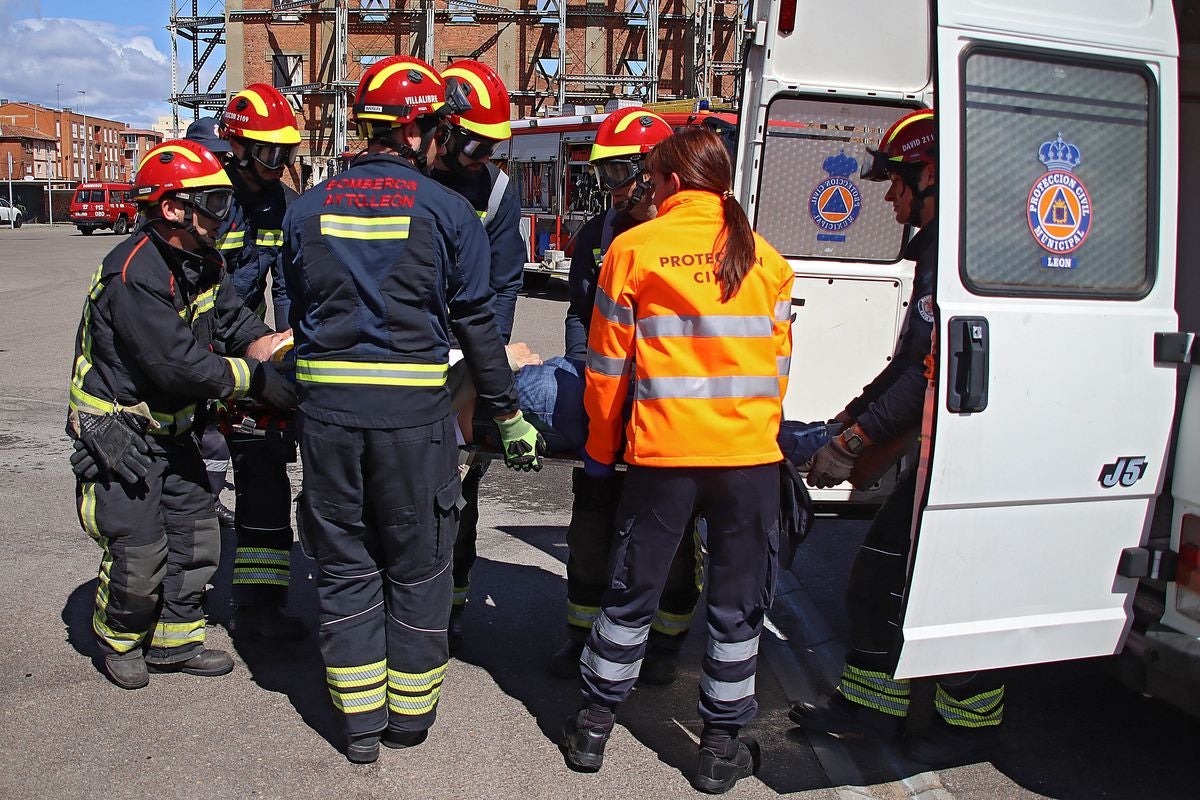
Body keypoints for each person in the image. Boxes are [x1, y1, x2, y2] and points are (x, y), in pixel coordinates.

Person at [280, 55, 546, 765]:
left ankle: (360, 726)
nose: (446, 144)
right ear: (416, 128)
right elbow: (477, 325)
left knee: (344, 564)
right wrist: (509, 412)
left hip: (329, 423)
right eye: (439, 130)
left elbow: (293, 315)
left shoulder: (305, 210)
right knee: (419, 566)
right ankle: (409, 717)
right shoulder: (449, 212)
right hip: (414, 426)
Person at [559, 126, 793, 794]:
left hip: (664, 457)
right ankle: (719, 748)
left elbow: (606, 371)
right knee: (737, 607)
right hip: (750, 460)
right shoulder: (768, 260)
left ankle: (593, 728)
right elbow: (777, 373)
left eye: (653, 182)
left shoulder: (634, 250)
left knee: (631, 592)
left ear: (668, 183)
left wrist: (601, 455)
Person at [789, 109, 1006, 765]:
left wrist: (849, 444)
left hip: (972, 445)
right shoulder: (951, 250)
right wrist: (848, 420)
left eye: (897, 181)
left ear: (932, 175)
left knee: (897, 575)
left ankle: (922, 720)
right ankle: (898, 711)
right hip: (964, 441)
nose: (888, 195)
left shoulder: (956, 254)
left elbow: (927, 372)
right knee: (906, 576)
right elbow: (909, 364)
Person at [67, 139, 298, 690]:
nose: (224, 214)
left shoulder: (199, 262)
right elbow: (178, 366)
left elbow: (230, 320)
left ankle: (175, 642)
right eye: (212, 203)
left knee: (196, 539)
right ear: (172, 209)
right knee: (138, 551)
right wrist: (258, 382)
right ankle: (119, 637)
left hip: (175, 432)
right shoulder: (134, 273)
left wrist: (271, 344)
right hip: (121, 433)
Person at [548, 107, 702, 685]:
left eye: (617, 175)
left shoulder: (686, 242)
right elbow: (579, 316)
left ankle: (666, 643)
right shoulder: (598, 237)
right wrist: (586, 381)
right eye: (603, 177)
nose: (610, 190)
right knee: (590, 525)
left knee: (673, 535)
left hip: (668, 418)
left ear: (651, 171)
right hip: (608, 409)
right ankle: (580, 635)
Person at [426, 59, 527, 651]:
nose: (481, 157)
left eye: (490, 146)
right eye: (473, 145)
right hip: (401, 356)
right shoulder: (408, 175)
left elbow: (505, 284)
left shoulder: (496, 190)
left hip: (463, 356)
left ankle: (451, 599)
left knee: (460, 488)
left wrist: (489, 367)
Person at [204, 87, 307, 641]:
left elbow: (287, 283)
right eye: (269, 154)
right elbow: (195, 298)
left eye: (285, 155)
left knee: (263, 467)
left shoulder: (283, 204)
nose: (280, 167)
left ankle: (261, 608)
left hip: (250, 346)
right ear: (237, 146)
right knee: (194, 483)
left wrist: (284, 347)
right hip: (196, 353)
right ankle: (179, 604)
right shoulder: (208, 198)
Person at [183, 116, 238, 531]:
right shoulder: (145, 265)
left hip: (222, 331)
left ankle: (208, 497)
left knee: (217, 437)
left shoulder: (228, 205)